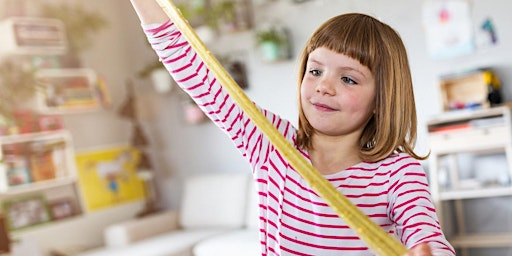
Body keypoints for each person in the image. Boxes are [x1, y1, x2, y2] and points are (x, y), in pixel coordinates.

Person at [129, 1, 455, 255]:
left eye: (348, 78)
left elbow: (427, 236)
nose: (323, 87)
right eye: (315, 71)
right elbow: (193, 68)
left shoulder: (398, 172)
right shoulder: (270, 142)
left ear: (382, 98)